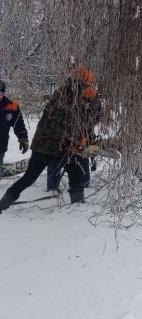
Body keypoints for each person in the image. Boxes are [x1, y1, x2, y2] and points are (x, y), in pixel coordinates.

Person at [0, 66, 101, 214]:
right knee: (30, 177)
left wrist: (94, 102)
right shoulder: (61, 96)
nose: (88, 87)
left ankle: (77, 205)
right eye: (85, 84)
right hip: (45, 145)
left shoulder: (84, 98)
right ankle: (4, 203)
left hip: (64, 146)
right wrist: (71, 137)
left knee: (75, 171)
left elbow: (92, 119)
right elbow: (50, 126)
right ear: (78, 82)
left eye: (89, 85)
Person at [0, 80, 29, 171]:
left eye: (0, 92)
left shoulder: (11, 106)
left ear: (3, 93)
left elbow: (18, 124)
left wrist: (23, 138)